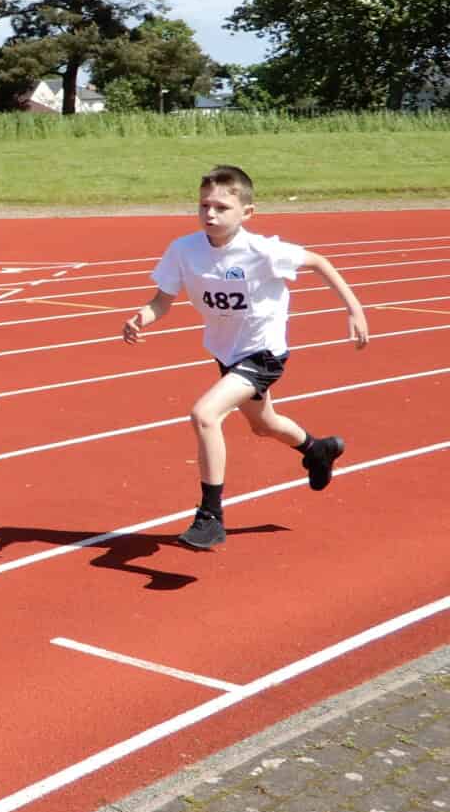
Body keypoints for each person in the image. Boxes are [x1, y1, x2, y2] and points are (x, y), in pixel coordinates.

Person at [122, 165, 369, 550]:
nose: (210, 214)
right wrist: (142, 317)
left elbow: (319, 262)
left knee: (205, 414)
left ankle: (210, 516)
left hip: (264, 352)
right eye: (204, 205)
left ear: (247, 213)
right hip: (227, 352)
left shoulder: (262, 251)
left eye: (221, 207)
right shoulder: (184, 250)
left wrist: (354, 310)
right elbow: (161, 300)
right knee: (263, 424)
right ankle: (317, 449)